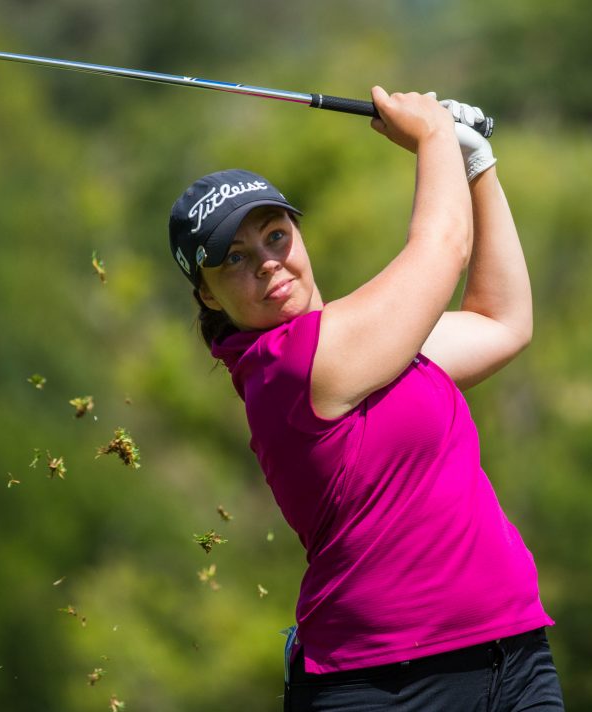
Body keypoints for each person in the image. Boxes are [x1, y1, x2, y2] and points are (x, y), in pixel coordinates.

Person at [168, 87, 564, 711]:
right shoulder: (287, 366)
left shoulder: (374, 344)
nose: (267, 263)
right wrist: (434, 137)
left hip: (512, 656)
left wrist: (477, 166)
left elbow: (501, 322)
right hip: (386, 685)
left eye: (275, 236)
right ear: (210, 297)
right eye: (234, 259)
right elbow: (440, 251)